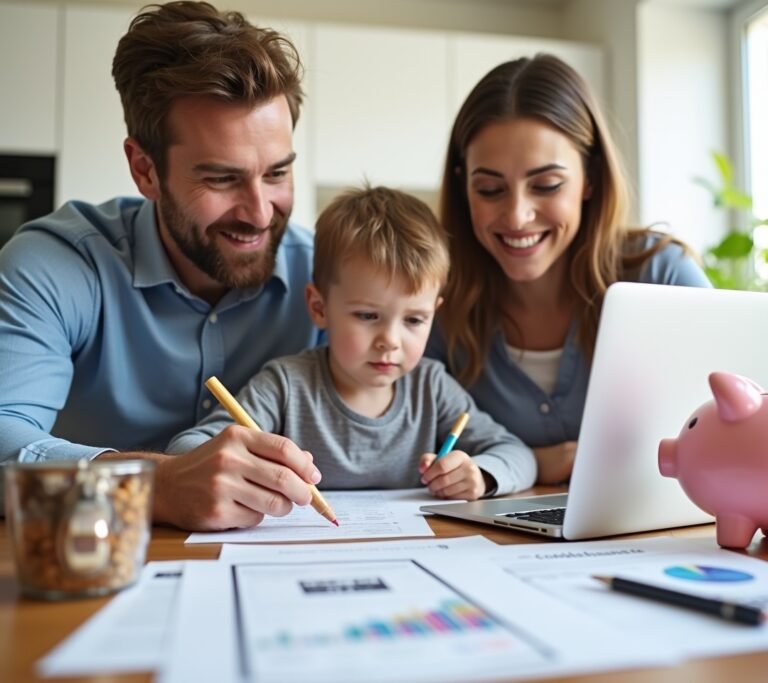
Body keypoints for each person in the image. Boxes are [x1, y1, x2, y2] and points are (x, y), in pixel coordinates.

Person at [0, 1, 326, 531]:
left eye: (277, 173)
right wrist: (150, 484)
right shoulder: (53, 265)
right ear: (145, 170)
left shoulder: (328, 278)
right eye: (222, 179)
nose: (260, 212)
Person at [426, 54, 711, 485]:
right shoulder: (431, 301)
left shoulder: (662, 275)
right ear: (464, 185)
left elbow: (744, 417)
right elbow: (398, 442)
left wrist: (526, 463)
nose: (518, 216)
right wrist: (537, 463)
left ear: (590, 179)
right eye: (490, 189)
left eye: (546, 185)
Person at [168, 186, 537, 500]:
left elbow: (517, 454)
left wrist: (482, 476)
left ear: (434, 313)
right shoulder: (285, 385)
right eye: (367, 316)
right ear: (319, 307)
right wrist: (242, 465)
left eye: (414, 320)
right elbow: (186, 452)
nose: (389, 341)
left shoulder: (432, 388)